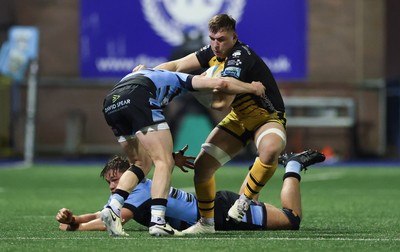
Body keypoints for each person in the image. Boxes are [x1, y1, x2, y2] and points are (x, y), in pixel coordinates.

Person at [152, 13, 287, 234]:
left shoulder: (240, 55)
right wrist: (148, 73)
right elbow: (176, 65)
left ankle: (245, 201)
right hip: (238, 118)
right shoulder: (211, 51)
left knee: (270, 150)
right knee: (202, 166)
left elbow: (221, 102)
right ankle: (206, 224)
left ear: (234, 37)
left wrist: (199, 86)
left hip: (266, 116)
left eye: (221, 39)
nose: (216, 44)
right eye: (212, 38)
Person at [100, 68, 266, 237]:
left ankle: (113, 208)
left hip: (111, 103)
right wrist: (252, 88)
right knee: (164, 162)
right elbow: (222, 83)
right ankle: (158, 221)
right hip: (136, 96)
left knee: (139, 164)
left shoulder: (158, 73)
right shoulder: (185, 79)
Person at [56, 150, 325, 232]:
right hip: (214, 209)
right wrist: (74, 219)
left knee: (292, 220)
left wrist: (76, 228)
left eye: (116, 180)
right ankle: (260, 163)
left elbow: (112, 220)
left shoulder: (138, 190)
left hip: (216, 213)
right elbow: (104, 213)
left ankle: (293, 166)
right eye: (110, 183)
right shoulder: (131, 190)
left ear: (130, 175)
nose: (114, 187)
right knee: (248, 204)